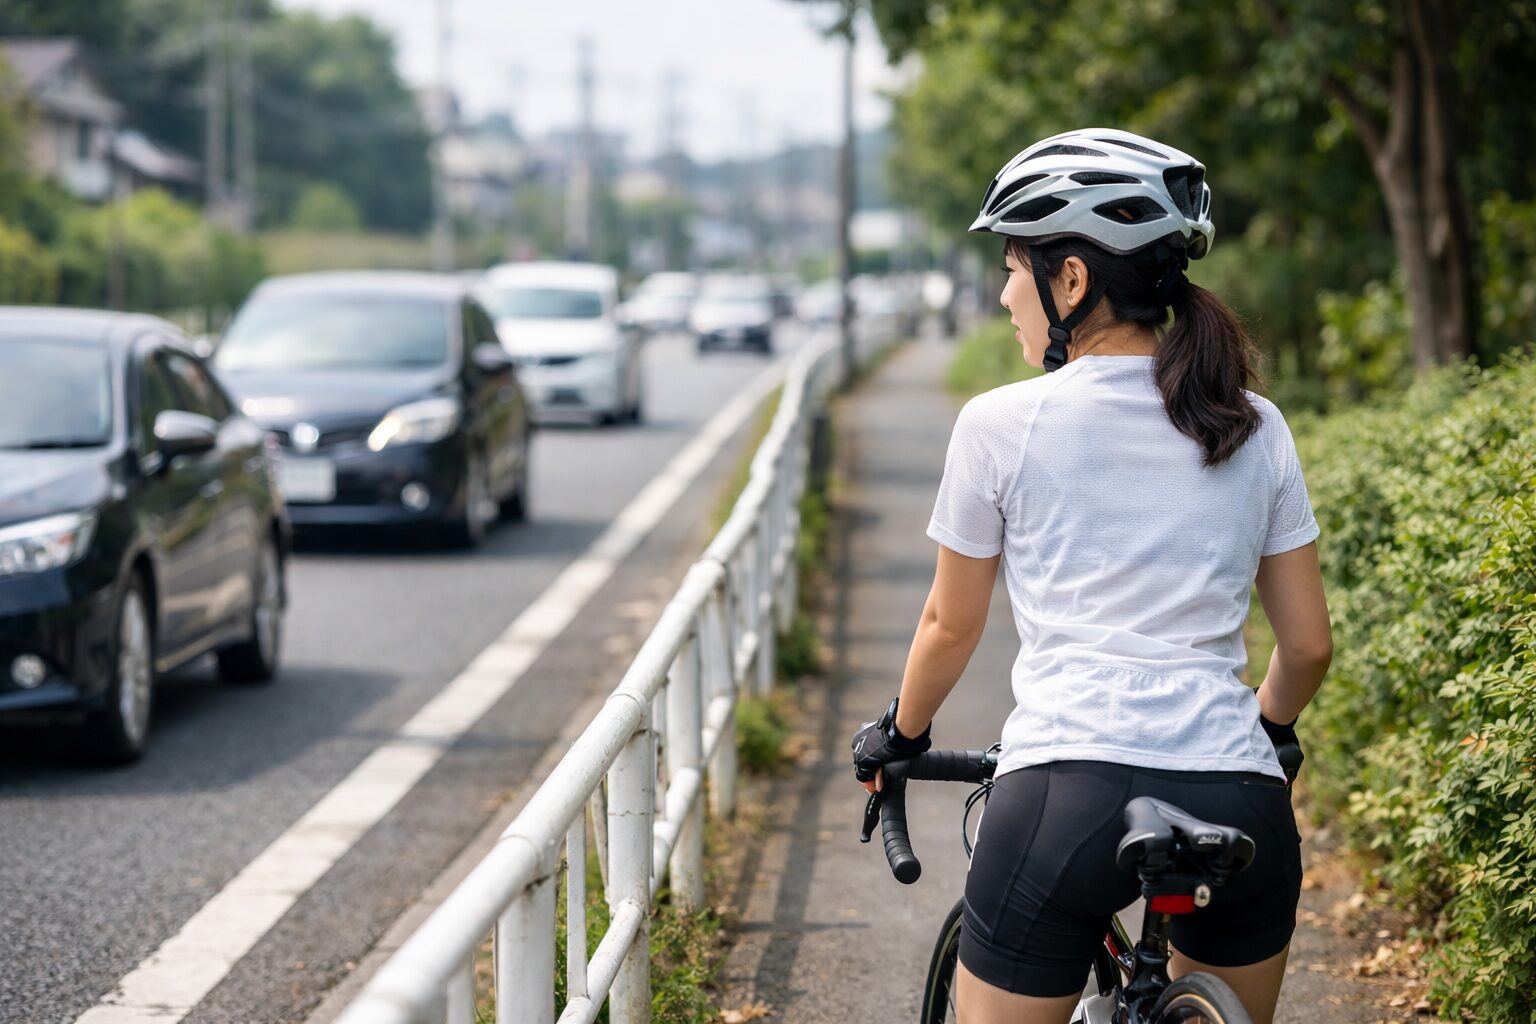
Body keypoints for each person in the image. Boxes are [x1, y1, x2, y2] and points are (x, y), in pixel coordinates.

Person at [850, 128, 1333, 1024]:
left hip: (1067, 794)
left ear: (1071, 280)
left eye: (1012, 266)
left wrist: (900, 737)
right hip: (1239, 797)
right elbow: (1306, 646)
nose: (1003, 294)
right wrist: (1265, 733)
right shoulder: (1255, 423)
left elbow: (949, 629)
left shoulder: (999, 424)